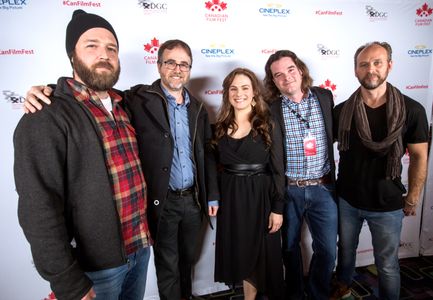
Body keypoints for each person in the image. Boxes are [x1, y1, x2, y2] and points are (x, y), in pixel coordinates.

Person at [23, 39, 220, 300]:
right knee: (168, 267)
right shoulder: (138, 97)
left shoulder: (197, 108)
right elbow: (92, 91)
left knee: (187, 262)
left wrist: (212, 194)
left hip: (193, 201)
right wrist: (50, 90)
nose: (177, 68)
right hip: (164, 202)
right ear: (159, 66)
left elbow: (205, 153)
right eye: (171, 62)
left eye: (184, 64)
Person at [14, 9, 151, 300]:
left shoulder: (125, 105)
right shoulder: (45, 115)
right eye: (92, 45)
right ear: (72, 56)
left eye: (111, 48)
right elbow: (38, 208)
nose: (104, 54)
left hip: (140, 251)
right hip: (93, 271)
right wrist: (68, 282)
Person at [330, 41, 429, 300]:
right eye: (364, 64)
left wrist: (414, 196)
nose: (370, 69)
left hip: (388, 204)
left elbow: (419, 156)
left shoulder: (412, 110)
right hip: (347, 200)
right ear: (355, 70)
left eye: (377, 63)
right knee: (346, 253)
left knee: (386, 264)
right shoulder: (341, 111)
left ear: (389, 66)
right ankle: (343, 287)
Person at [264, 50, 338, 300]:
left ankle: (318, 293)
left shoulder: (324, 97)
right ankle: (295, 294)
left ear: (301, 70)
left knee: (327, 250)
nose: (287, 78)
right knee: (289, 248)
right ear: (273, 82)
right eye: (279, 75)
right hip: (290, 190)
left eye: (291, 70)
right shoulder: (270, 109)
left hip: (323, 187)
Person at [213, 68, 284, 300]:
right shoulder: (220, 126)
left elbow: (277, 170)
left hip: (260, 198)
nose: (239, 93)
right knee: (240, 253)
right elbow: (212, 168)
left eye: (245, 87)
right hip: (231, 200)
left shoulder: (267, 124)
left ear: (254, 93)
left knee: (263, 255)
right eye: (233, 88)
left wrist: (277, 208)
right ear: (227, 93)